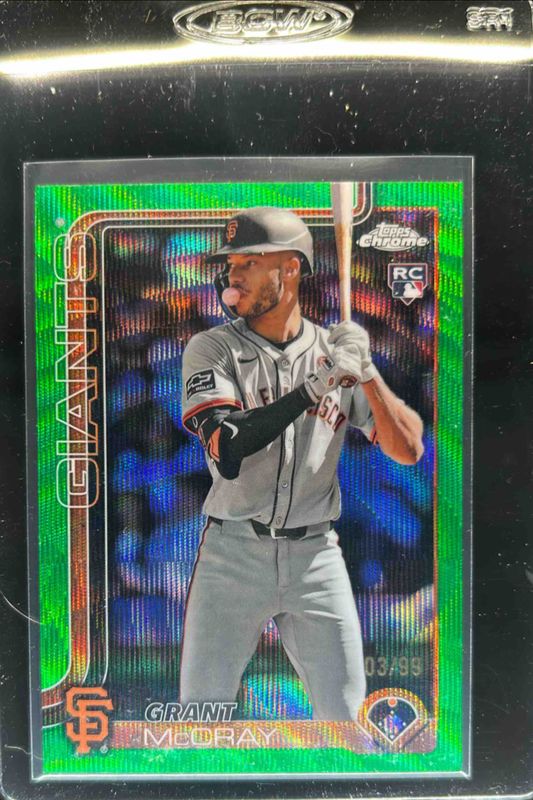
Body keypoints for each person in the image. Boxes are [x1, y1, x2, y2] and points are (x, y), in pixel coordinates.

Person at [180, 206, 424, 721]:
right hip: (232, 554)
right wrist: (313, 388)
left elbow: (408, 449)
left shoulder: (335, 351)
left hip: (316, 556)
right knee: (201, 719)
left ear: (290, 268)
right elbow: (228, 445)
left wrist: (367, 372)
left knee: (349, 720)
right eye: (231, 264)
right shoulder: (212, 348)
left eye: (248, 262)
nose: (232, 275)